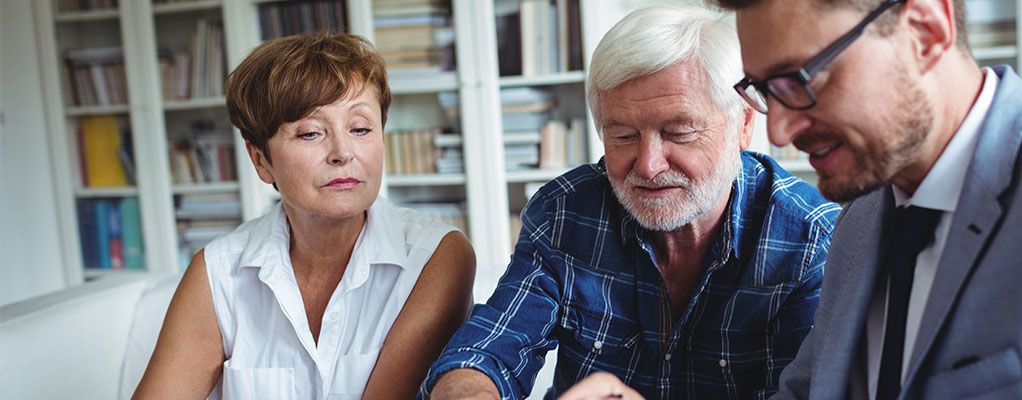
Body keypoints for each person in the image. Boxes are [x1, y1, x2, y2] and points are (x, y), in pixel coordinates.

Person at [711, 0, 1022, 398]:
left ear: (926, 32)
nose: (780, 132)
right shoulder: (857, 220)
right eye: (765, 89)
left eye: (800, 79)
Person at [423, 6, 841, 400]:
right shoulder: (565, 213)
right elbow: (485, 353)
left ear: (743, 123)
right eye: (622, 136)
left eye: (679, 132)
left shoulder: (812, 240)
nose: (648, 165)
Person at [132, 33, 476, 399]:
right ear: (261, 161)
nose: (343, 152)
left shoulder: (437, 257)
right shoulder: (217, 272)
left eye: (360, 129)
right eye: (310, 133)